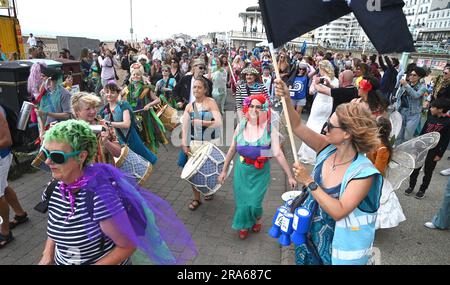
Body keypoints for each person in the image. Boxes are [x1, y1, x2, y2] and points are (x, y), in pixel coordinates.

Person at [37, 120, 196, 265]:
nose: (47, 161)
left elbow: (128, 246)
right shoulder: (53, 189)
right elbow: (60, 224)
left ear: (81, 156)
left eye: (57, 156)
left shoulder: (100, 198)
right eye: (46, 153)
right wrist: (47, 254)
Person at [275, 79, 383, 265]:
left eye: (330, 126)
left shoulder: (364, 173)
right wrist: (286, 98)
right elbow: (297, 126)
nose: (325, 128)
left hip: (336, 250)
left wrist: (309, 181)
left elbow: (338, 211)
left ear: (348, 134)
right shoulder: (326, 148)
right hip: (307, 237)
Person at [218, 95, 297, 240]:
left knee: (255, 204)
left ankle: (257, 217)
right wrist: (223, 171)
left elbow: (278, 153)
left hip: (260, 173)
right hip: (242, 170)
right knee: (242, 203)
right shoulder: (241, 125)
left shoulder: (269, 129)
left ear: (264, 109)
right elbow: (232, 149)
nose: (254, 110)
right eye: (252, 106)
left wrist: (290, 176)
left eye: (258, 107)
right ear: (248, 107)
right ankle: (243, 225)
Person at [181, 77, 222, 211]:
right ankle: (196, 198)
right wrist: (184, 144)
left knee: (209, 169)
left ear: (205, 89)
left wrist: (202, 122)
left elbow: (219, 122)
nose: (196, 90)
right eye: (194, 87)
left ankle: (209, 190)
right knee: (193, 172)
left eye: (199, 87)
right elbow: (185, 127)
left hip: (210, 142)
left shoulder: (211, 103)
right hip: (195, 143)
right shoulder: (189, 106)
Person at [100, 83, 158, 165]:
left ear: (118, 93)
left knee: (142, 155)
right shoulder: (104, 109)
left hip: (130, 136)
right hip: (118, 140)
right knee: (127, 161)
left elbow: (126, 124)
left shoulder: (123, 105)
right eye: (107, 92)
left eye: (112, 92)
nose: (109, 94)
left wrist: (109, 123)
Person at [405, 98, 450, 199]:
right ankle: (411, 186)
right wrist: (416, 146)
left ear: (440, 109)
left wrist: (440, 154)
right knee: (416, 168)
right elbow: (422, 133)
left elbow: (446, 140)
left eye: (433, 107)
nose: (430, 108)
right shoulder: (430, 118)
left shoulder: (448, 122)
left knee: (428, 171)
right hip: (422, 148)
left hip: (434, 150)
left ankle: (422, 189)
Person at [367, 117, 406, 229]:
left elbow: (378, 169)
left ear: (378, 130)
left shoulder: (383, 148)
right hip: (367, 174)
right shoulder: (374, 142)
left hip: (374, 179)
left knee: (376, 203)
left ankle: (371, 225)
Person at [298, 60, 339, 165]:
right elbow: (336, 91)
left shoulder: (318, 79)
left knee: (312, 124)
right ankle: (321, 150)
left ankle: (309, 152)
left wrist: (314, 83)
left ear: (322, 68)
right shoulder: (335, 80)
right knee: (323, 125)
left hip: (319, 104)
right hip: (329, 104)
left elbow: (311, 92)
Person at [0, 105, 29, 249]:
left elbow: (7, 140)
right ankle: (20, 214)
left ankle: (5, 232)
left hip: (1, 157)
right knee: (3, 187)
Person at [71, 92, 121, 164]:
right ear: (77, 111)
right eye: (88, 109)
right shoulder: (72, 130)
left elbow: (118, 153)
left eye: (94, 107)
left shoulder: (105, 125)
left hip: (106, 173)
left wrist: (106, 142)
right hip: (85, 173)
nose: (93, 111)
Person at [34, 67, 72, 141]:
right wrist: (42, 131)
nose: (41, 78)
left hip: (61, 133)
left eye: (43, 76)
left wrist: (47, 113)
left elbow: (67, 115)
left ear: (50, 78)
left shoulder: (64, 94)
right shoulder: (45, 93)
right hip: (47, 132)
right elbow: (42, 114)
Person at [394, 66, 428, 145]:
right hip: (401, 111)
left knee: (407, 136)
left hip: (413, 114)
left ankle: (405, 153)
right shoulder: (405, 84)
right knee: (398, 134)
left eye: (414, 75)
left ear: (419, 77)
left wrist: (406, 85)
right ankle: (397, 151)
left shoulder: (422, 87)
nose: (411, 76)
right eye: (411, 74)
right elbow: (398, 96)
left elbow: (415, 95)